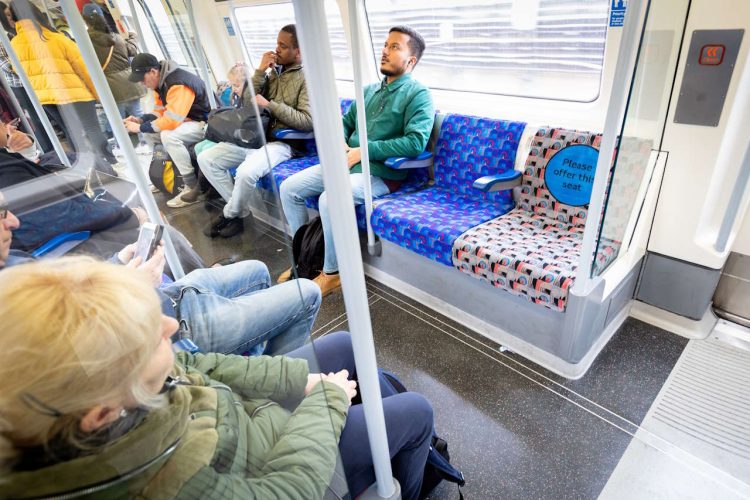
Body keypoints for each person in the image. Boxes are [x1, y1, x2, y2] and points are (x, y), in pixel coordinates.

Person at [0, 257, 434, 499]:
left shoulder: (117, 391)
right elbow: (287, 491)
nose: (172, 331)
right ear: (103, 414)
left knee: (343, 345)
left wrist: (296, 382)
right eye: (153, 339)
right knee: (416, 412)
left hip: (245, 422)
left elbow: (206, 366)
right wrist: (327, 402)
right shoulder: (165, 482)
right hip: (274, 466)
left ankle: (377, 450)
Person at [0, 192, 321, 356]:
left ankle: (256, 346)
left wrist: (115, 263)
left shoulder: (12, 260)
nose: (14, 222)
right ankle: (280, 395)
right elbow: (82, 351)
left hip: (169, 297)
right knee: (307, 293)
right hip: (169, 328)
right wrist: (133, 289)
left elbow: (69, 291)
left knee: (258, 269)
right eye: (2, 215)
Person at [279, 26, 434, 296]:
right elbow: (344, 122)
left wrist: (362, 151)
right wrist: (340, 144)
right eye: (386, 44)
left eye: (395, 47)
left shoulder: (418, 94)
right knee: (289, 188)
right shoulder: (369, 91)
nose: (385, 50)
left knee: (330, 199)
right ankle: (304, 259)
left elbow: (415, 142)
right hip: (346, 163)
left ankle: (332, 272)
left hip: (381, 173)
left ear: (411, 61)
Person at [197, 24, 312, 237]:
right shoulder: (273, 72)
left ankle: (229, 214)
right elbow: (246, 101)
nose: (276, 49)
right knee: (207, 159)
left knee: (245, 172)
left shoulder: (307, 78)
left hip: (282, 142)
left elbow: (307, 121)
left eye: (283, 46)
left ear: (299, 52)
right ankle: (241, 213)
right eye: (277, 44)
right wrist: (260, 71)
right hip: (256, 137)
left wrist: (270, 105)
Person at [9, 0, 118, 172]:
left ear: (13, 19)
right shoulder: (56, 38)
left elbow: (17, 70)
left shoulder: (14, 44)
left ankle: (91, 169)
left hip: (46, 98)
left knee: (72, 133)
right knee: (92, 128)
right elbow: (84, 68)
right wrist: (99, 94)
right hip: (74, 93)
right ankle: (110, 163)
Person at [124, 53, 210, 206]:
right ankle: (163, 172)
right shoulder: (161, 83)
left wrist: (139, 127)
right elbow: (159, 112)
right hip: (187, 122)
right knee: (151, 135)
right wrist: (141, 120)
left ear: (153, 72)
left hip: (204, 123)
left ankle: (190, 186)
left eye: (142, 79)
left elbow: (171, 121)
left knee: (168, 135)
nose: (142, 84)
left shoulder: (178, 84)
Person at [84, 11, 146, 146]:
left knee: (116, 118)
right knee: (138, 113)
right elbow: (132, 50)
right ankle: (145, 142)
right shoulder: (116, 38)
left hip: (110, 86)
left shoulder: (86, 42)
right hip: (130, 82)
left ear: (87, 23)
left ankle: (122, 146)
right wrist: (133, 36)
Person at [0, 1, 53, 153]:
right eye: (7, 15)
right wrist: (29, 66)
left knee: (43, 115)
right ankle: (47, 150)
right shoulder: (5, 38)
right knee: (33, 119)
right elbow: (6, 66)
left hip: (31, 82)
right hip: (19, 85)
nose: (11, 18)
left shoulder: (12, 34)